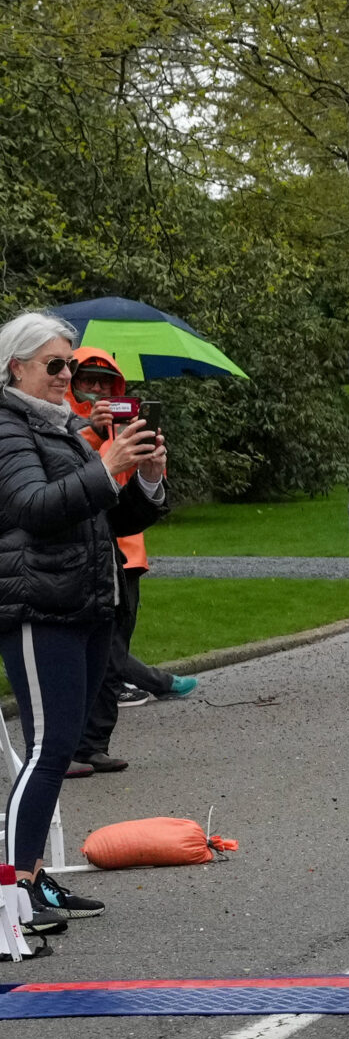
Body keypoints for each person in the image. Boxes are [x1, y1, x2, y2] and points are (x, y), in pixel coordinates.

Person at [0, 310, 169, 946]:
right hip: (37, 605)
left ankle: (35, 874)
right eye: (54, 366)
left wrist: (145, 478)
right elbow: (33, 508)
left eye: (69, 364)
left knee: (64, 746)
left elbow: (99, 514)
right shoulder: (7, 424)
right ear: (16, 368)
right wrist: (105, 464)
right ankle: (10, 890)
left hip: (84, 601)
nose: (67, 376)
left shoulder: (64, 425)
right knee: (45, 750)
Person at [67, 349, 190, 777]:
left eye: (106, 382)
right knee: (80, 654)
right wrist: (96, 435)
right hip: (76, 552)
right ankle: (70, 747)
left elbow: (130, 494)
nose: (98, 389)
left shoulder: (126, 422)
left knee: (112, 654)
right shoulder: (61, 421)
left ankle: (94, 744)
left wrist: (152, 468)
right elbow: (70, 482)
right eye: (89, 379)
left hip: (125, 549)